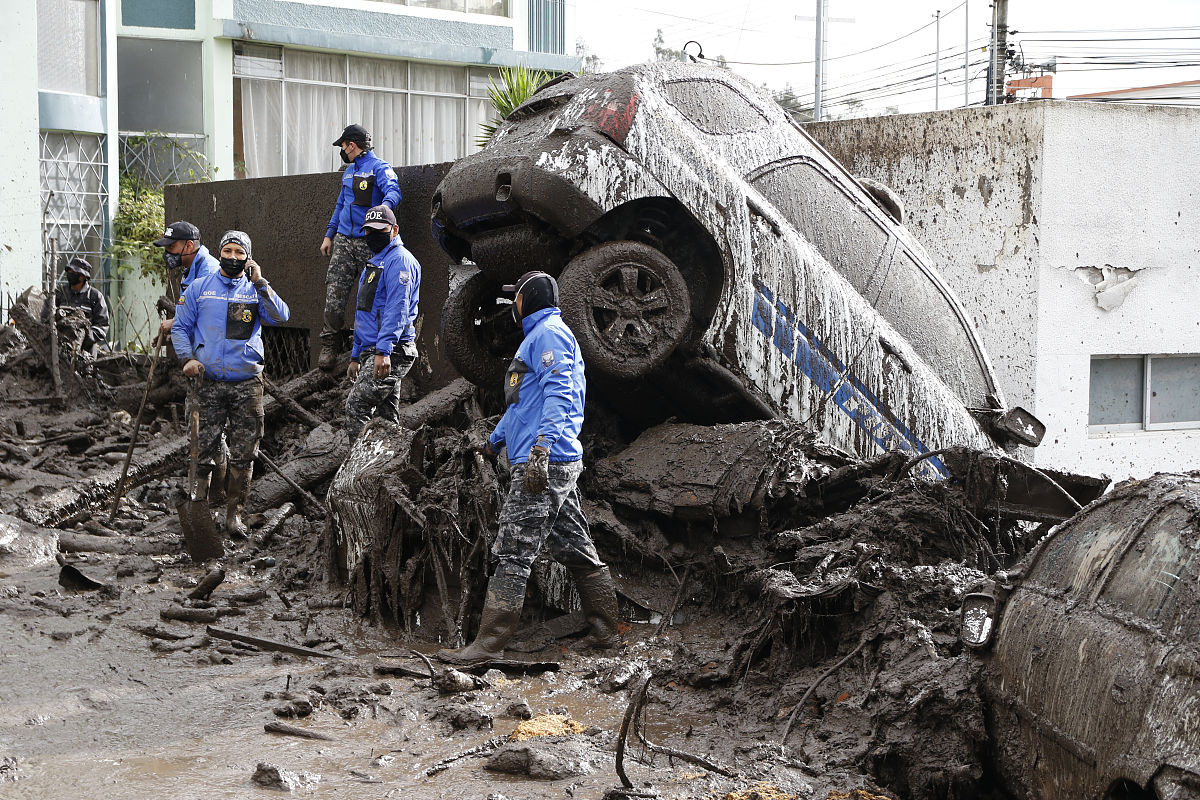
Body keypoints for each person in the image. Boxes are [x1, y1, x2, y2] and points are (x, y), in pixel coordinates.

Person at [437, 271, 619, 666]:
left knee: (514, 550)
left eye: (515, 298)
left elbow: (561, 394)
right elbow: (521, 407)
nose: (512, 307)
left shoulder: (550, 335)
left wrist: (541, 447)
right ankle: (606, 631)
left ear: (528, 299)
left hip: (543, 464)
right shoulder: (535, 340)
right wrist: (493, 441)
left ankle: (487, 645)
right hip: (549, 460)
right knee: (575, 547)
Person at [171, 230, 290, 537]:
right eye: (229, 251)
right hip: (205, 383)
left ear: (247, 257)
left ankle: (233, 515)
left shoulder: (254, 290)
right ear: (220, 253)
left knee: (244, 452)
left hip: (246, 384)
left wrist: (261, 282)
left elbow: (281, 316)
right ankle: (201, 513)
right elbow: (181, 327)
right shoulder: (200, 288)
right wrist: (187, 359)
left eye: (240, 252)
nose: (233, 257)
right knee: (201, 449)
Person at [318, 124, 401, 371]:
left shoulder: (380, 168)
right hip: (343, 240)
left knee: (370, 296)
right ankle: (329, 344)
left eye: (343, 146)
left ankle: (368, 347)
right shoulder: (347, 171)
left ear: (351, 145)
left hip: (369, 240)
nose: (342, 150)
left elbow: (393, 193)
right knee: (335, 293)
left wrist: (379, 217)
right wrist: (329, 234)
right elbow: (341, 204)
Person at [344, 205, 421, 442]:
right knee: (388, 418)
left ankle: (359, 472)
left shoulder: (400, 261)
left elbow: (397, 309)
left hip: (392, 350)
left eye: (380, 229)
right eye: (369, 230)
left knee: (356, 407)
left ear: (394, 229)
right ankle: (390, 470)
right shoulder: (376, 262)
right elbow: (364, 312)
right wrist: (356, 356)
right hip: (376, 350)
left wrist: (384, 350)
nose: (373, 235)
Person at [153, 220, 220, 338]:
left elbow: (209, 316)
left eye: (171, 246)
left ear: (189, 246)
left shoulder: (209, 273)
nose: (167, 253)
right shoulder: (190, 269)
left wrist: (175, 323)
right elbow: (189, 309)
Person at [44, 257, 110, 357]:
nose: (70, 273)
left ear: (83, 276)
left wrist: (84, 337)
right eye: (69, 271)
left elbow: (102, 325)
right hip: (59, 347)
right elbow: (45, 317)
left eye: (74, 272)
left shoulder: (95, 296)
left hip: (86, 350)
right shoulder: (58, 293)